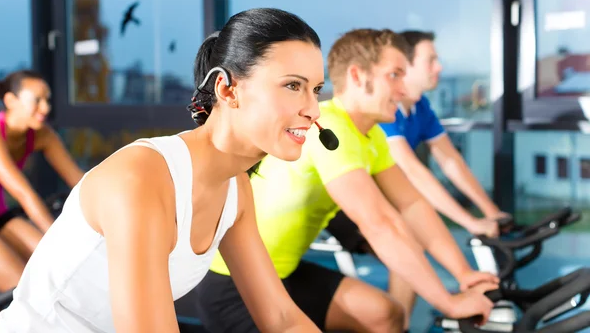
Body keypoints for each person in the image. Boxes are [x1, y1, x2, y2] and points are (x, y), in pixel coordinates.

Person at [0, 8, 326, 333]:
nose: (313, 109)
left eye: (316, 90)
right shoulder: (140, 178)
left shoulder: (235, 190)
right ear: (227, 90)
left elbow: (282, 318)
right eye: (293, 86)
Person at [194, 28, 498, 333]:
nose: (404, 90)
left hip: (283, 272)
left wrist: (463, 274)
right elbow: (380, 224)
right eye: (394, 75)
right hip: (233, 285)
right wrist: (449, 302)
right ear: (356, 76)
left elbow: (412, 205)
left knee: (385, 315)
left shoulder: (373, 136)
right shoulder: (329, 127)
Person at [380, 30, 510, 236]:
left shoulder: (420, 105)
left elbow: (450, 160)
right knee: (414, 238)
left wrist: (492, 212)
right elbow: (412, 172)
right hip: (359, 198)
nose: (439, 67)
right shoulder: (384, 108)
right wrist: (471, 223)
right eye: (431, 61)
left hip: (390, 196)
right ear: (404, 64)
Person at [0, 70, 85, 293]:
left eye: (47, 100)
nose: (45, 108)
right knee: (24, 290)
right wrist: (57, 241)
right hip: (3, 212)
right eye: (37, 100)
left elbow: (80, 182)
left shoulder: (41, 135)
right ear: (11, 101)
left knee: (57, 270)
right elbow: (24, 194)